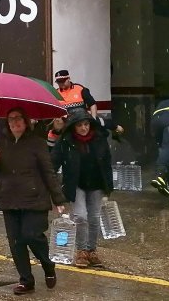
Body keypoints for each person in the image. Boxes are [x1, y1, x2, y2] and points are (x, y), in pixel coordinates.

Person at [0, 107, 66, 295]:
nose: (15, 122)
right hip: (9, 198)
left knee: (32, 235)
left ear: (26, 121)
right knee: (16, 242)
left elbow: (48, 172)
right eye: (11, 119)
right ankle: (26, 280)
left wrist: (58, 198)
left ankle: (48, 264)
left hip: (35, 199)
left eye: (19, 119)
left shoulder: (37, 143)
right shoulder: (1, 143)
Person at [51, 110, 121, 268]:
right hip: (76, 183)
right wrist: (52, 187)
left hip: (96, 183)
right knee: (81, 216)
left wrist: (108, 187)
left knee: (94, 217)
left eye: (86, 124)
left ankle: (91, 250)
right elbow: (53, 163)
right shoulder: (66, 141)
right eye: (80, 125)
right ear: (73, 127)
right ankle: (81, 250)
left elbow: (106, 163)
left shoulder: (99, 139)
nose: (83, 128)